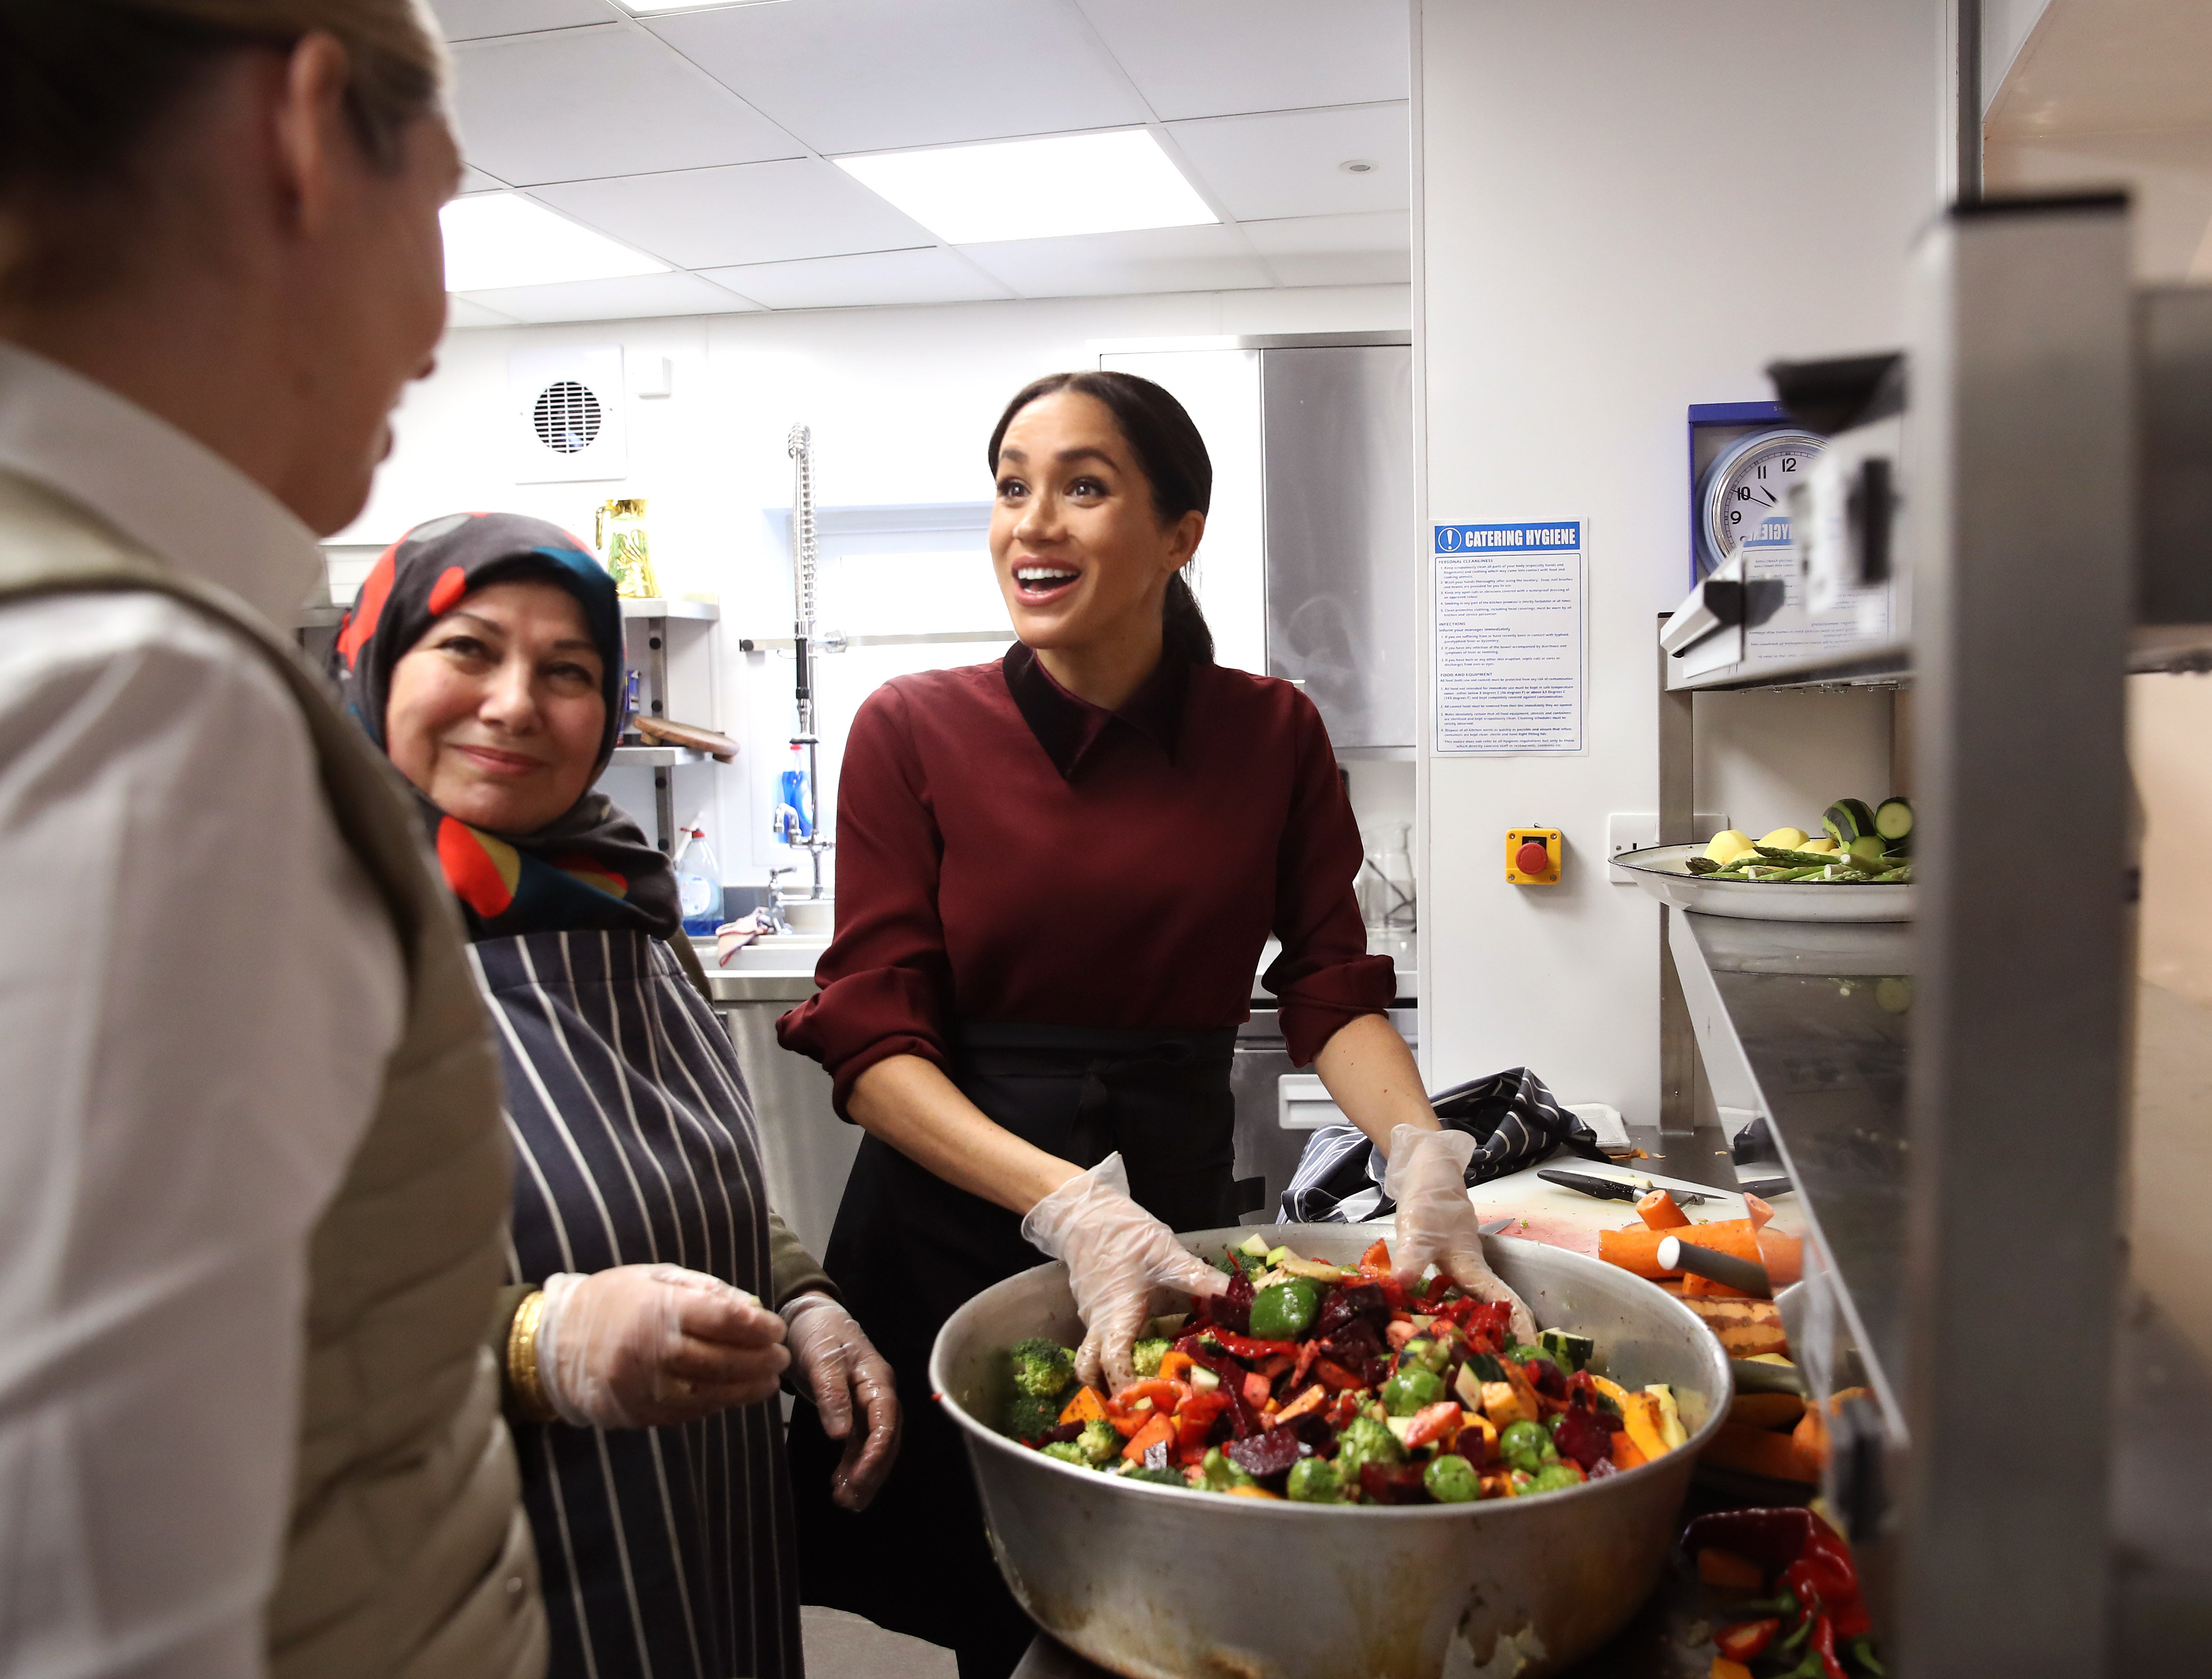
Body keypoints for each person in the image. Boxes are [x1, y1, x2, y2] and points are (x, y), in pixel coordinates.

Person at [776, 370, 1534, 1675]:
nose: (1033, 524)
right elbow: (875, 1050)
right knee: (999, 1605)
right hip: (964, 1216)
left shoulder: (1272, 734)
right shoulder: (912, 729)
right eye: (1012, 487)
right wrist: (1071, 1210)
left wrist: (1422, 1154)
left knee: (1176, 1595)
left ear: (1182, 533)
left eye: (1083, 486)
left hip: (1170, 1214)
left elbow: (1329, 990)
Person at [0, 4, 546, 1675]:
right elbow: (103, 1613)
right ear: (306, 132)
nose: (440, 331)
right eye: (439, 203)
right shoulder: (143, 706)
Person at [336, 511, 902, 1679]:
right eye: (468, 651)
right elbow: (251, 1338)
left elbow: (688, 1161)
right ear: (379, 664)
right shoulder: (303, 939)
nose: (514, 703)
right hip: (479, 1563)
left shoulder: (625, 903)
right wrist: (536, 1346)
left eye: (568, 670)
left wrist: (798, 1297)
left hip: (710, 1520)